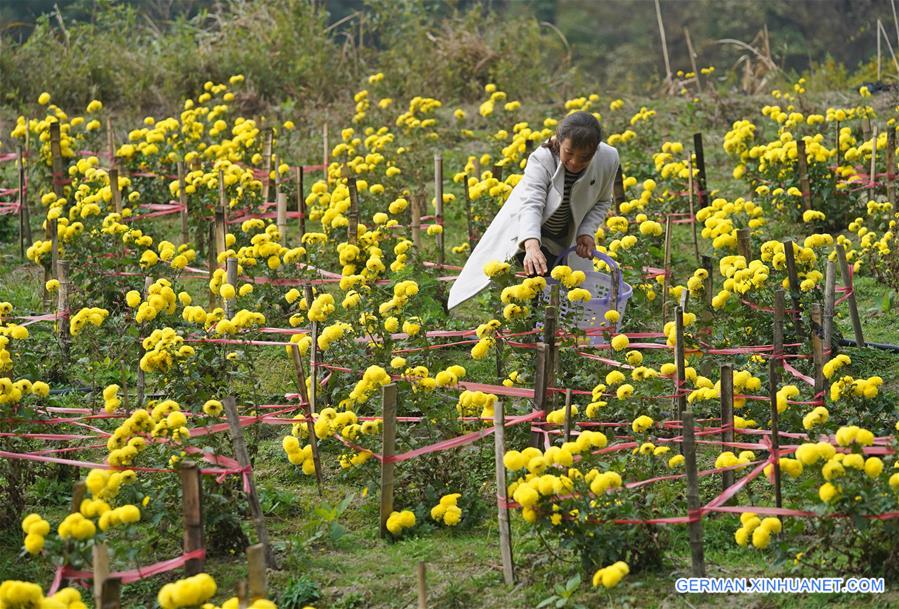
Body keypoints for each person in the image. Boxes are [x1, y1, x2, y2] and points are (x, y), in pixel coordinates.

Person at [447, 111, 620, 310]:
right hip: (532, 229)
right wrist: (531, 245)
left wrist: (586, 232)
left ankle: (551, 330)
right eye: (569, 153)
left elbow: (603, 201)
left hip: (566, 237)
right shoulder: (542, 159)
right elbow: (532, 204)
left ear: (596, 150)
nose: (574, 162)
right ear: (559, 141)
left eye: (584, 158)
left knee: (567, 291)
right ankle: (534, 328)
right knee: (538, 282)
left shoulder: (608, 158)